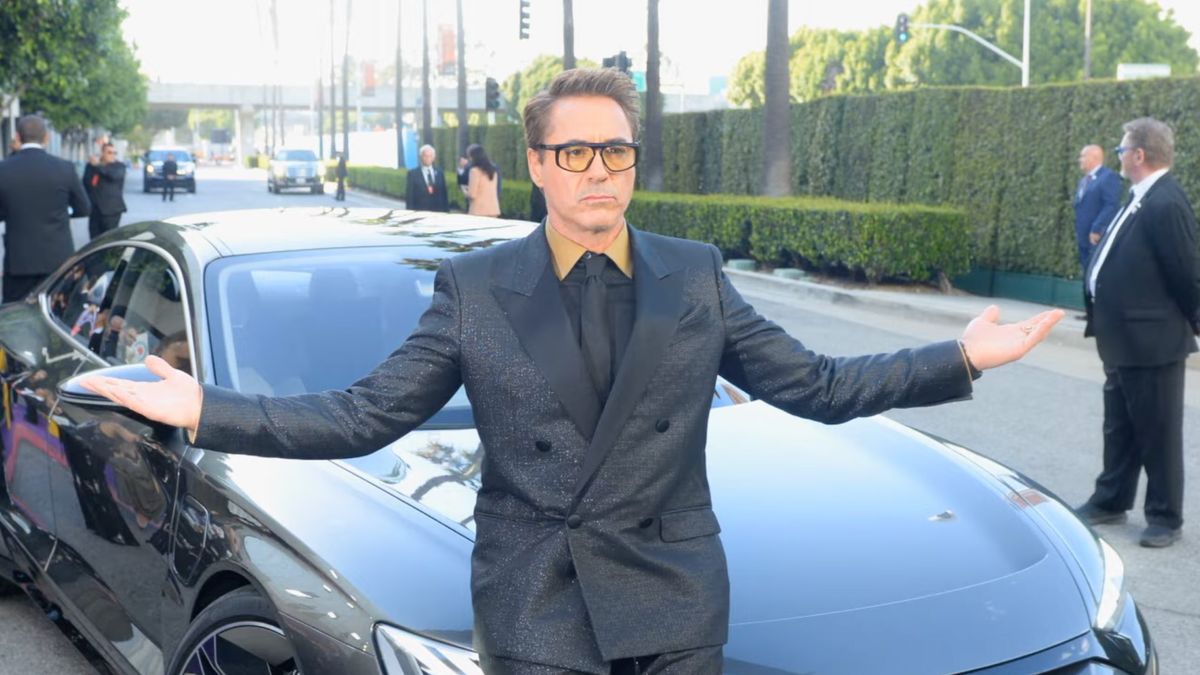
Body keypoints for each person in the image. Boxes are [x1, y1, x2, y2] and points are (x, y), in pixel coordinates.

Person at [81, 68, 1063, 674]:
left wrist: (960, 355)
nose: (600, 170)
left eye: (619, 151)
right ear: (540, 166)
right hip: (537, 605)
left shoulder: (695, 277)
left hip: (675, 600)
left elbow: (819, 387)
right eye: (577, 151)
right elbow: (363, 413)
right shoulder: (475, 290)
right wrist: (205, 402)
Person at [1078, 117, 1200, 549]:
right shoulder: (1141, 198)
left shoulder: (1167, 202)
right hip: (1124, 340)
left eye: (1122, 148)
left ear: (1139, 155)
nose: (1120, 155)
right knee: (1121, 427)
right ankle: (1111, 499)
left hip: (1154, 343)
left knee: (1159, 431)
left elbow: (1188, 274)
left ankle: (1166, 517)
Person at [0, 115, 91, 303]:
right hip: (58, 261)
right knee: (56, 315)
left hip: (18, 262)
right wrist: (61, 212)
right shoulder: (65, 168)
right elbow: (84, 208)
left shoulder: (4, 169)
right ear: (46, 138)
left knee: (15, 318)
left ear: (18, 137)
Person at [1072, 144, 1121, 275]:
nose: (1080, 160)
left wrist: (1097, 228)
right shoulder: (1083, 181)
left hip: (1096, 237)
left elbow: (1111, 205)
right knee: (1086, 272)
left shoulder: (1108, 177)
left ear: (1094, 157)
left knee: (1097, 272)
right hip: (1082, 236)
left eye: (1083, 156)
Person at [85, 142, 127, 239]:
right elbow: (86, 183)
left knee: (109, 239)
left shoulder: (119, 166)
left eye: (114, 153)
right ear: (102, 153)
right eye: (109, 152)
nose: (112, 155)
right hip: (95, 210)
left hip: (112, 211)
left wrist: (98, 165)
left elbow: (113, 176)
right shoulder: (92, 166)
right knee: (94, 240)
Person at [404, 144, 450, 212]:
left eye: (430, 156)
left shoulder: (440, 173)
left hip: (438, 212)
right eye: (425, 156)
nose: (428, 158)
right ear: (421, 157)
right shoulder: (413, 174)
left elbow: (444, 194)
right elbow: (410, 196)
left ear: (434, 157)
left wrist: (446, 211)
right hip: (420, 211)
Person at [466, 143, 501, 217]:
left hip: (479, 210)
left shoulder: (474, 171)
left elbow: (472, 194)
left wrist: (466, 191)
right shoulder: (493, 170)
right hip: (493, 209)